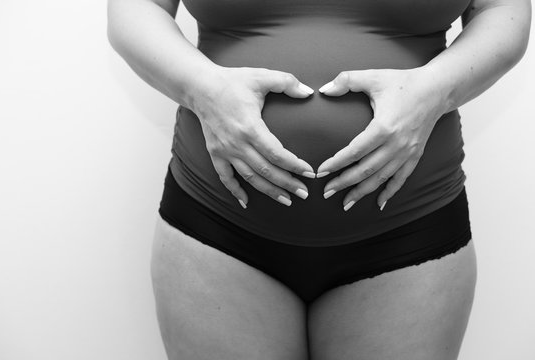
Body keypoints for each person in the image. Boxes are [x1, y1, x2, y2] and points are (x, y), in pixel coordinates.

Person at [107, 0, 531, 358]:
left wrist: (436, 89)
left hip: (407, 228)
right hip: (219, 227)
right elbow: (133, 10)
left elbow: (502, 14)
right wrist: (202, 88)